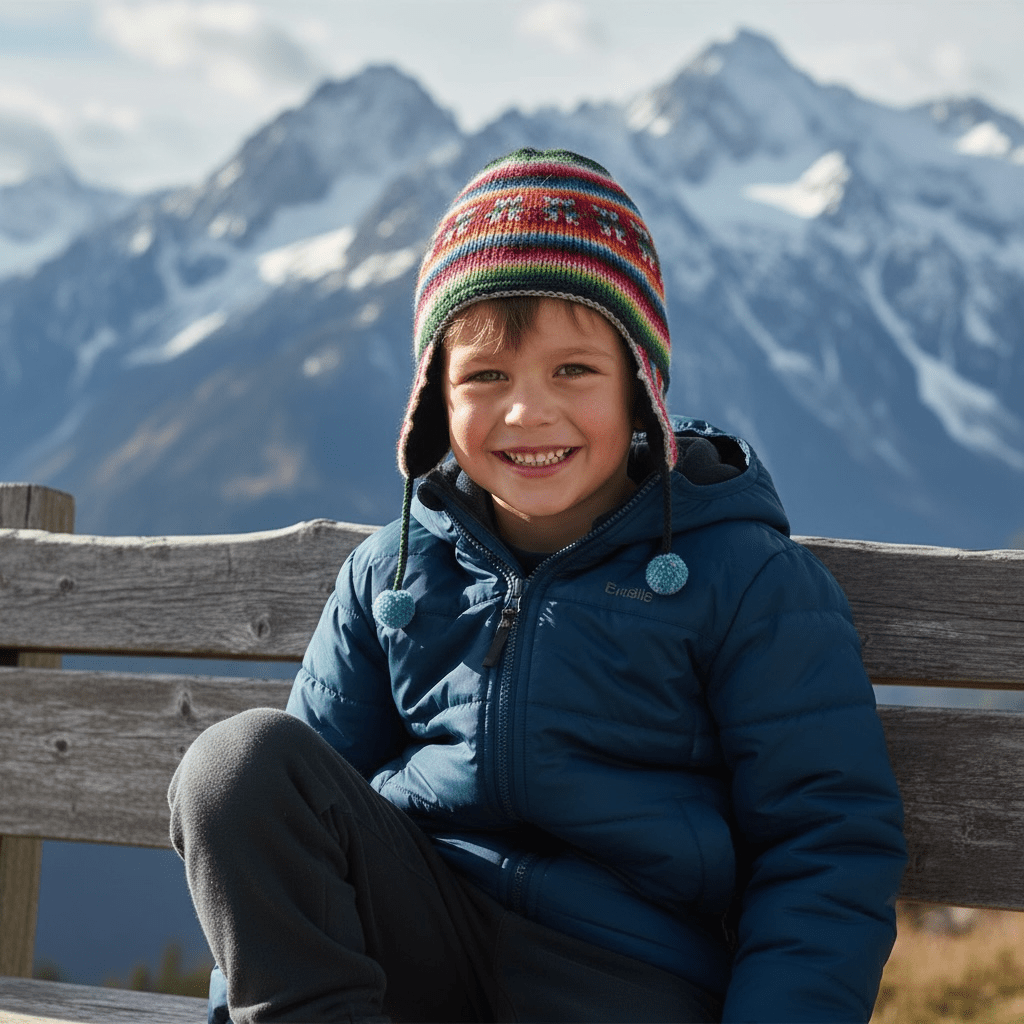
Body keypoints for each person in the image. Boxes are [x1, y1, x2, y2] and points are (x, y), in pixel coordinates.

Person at [169, 148, 907, 1023]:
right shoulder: (390, 575)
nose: (528, 413)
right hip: (421, 953)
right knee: (239, 765)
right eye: (486, 376)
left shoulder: (744, 580)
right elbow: (281, 852)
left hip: (626, 977)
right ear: (435, 402)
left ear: (641, 390)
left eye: (574, 371)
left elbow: (823, 847)